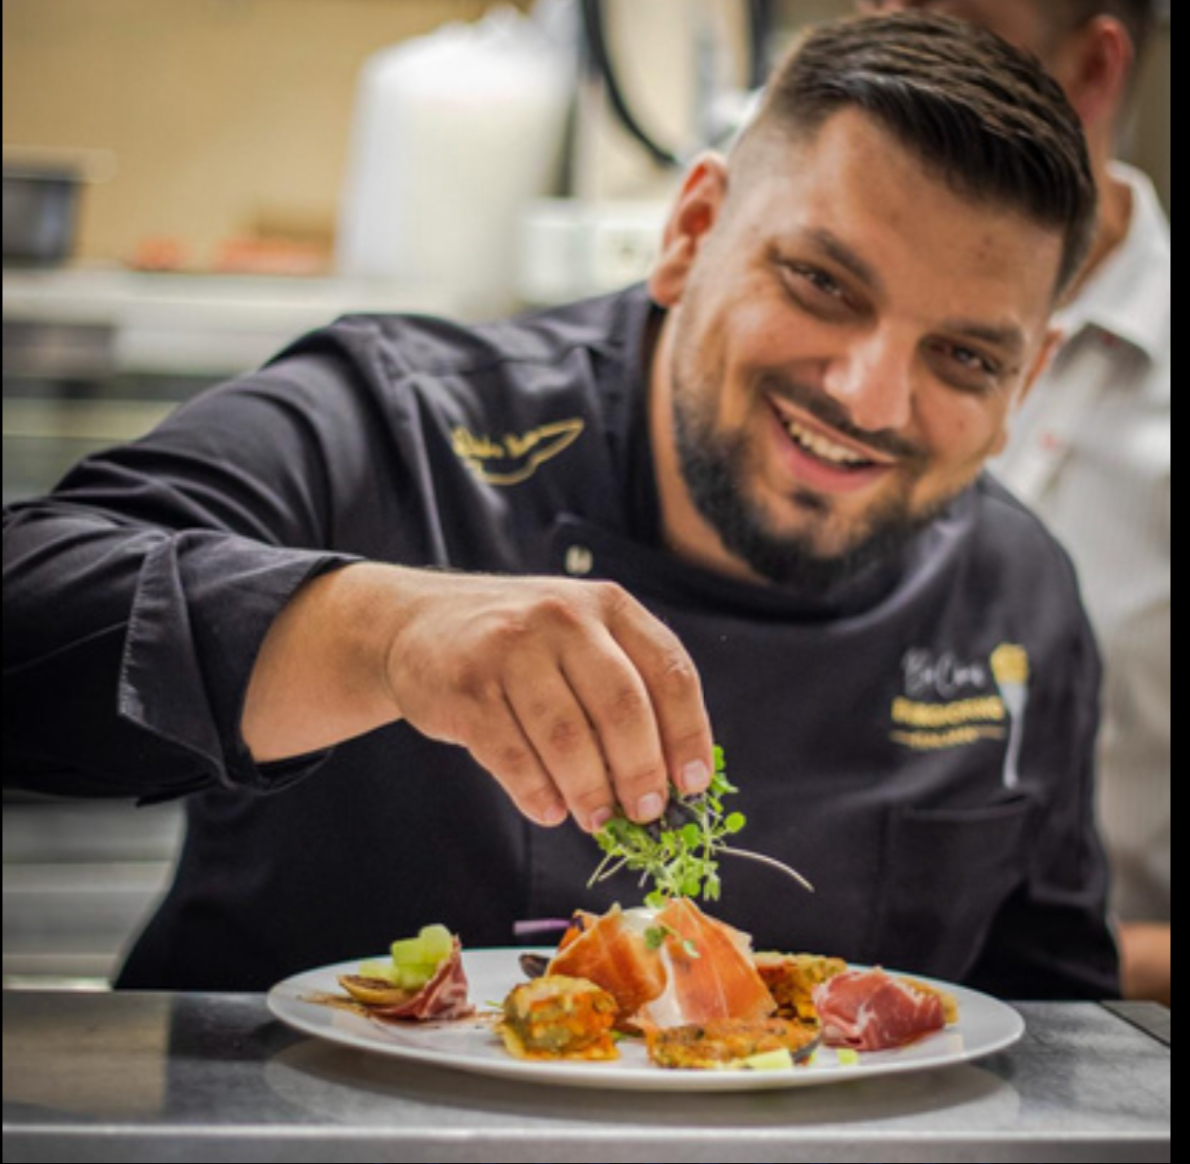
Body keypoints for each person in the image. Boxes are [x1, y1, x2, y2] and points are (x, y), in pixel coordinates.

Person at [3, 12, 1120, 999]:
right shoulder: (395, 426)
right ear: (691, 231)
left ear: (1026, 381)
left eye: (965, 357)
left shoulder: (1017, 594)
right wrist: (378, 636)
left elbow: (1056, 1035)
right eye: (822, 283)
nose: (869, 396)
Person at [862, 0, 1170, 1007]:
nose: (881, 56)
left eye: (939, 24)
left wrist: (1021, 975)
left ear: (1093, 68)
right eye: (871, 9)